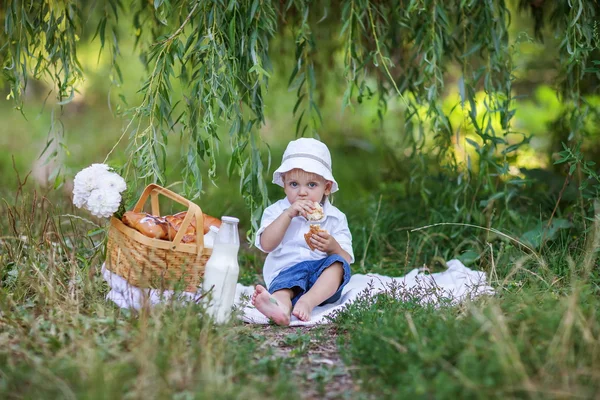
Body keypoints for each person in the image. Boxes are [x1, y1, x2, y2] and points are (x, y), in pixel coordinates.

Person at [251, 138, 354, 325]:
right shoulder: (276, 212)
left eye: (312, 185)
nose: (302, 193)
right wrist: (288, 214)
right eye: (294, 184)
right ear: (283, 183)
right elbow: (266, 244)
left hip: (321, 282)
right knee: (284, 289)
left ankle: (307, 302)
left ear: (327, 187)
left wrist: (333, 247)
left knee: (337, 265)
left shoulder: (335, 217)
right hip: (286, 273)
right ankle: (280, 308)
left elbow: (346, 259)